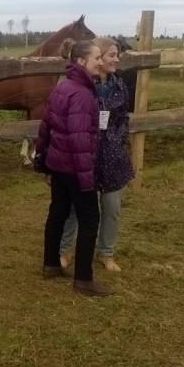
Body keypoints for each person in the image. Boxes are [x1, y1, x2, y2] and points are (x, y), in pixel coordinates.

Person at [35, 39, 112, 296]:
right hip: (74, 168)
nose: (100, 62)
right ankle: (83, 279)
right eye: (96, 58)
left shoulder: (63, 86)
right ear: (81, 61)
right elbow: (80, 141)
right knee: (91, 218)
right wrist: (87, 179)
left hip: (58, 164)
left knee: (57, 211)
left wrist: (42, 159)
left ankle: (50, 264)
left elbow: (45, 125)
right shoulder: (81, 95)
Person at [59, 37, 134, 273]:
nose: (116, 59)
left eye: (117, 54)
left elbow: (123, 118)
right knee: (75, 207)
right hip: (86, 156)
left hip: (113, 157)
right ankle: (65, 250)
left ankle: (106, 253)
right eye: (112, 55)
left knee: (112, 208)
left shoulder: (119, 85)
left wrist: (118, 142)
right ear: (98, 58)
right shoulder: (81, 87)